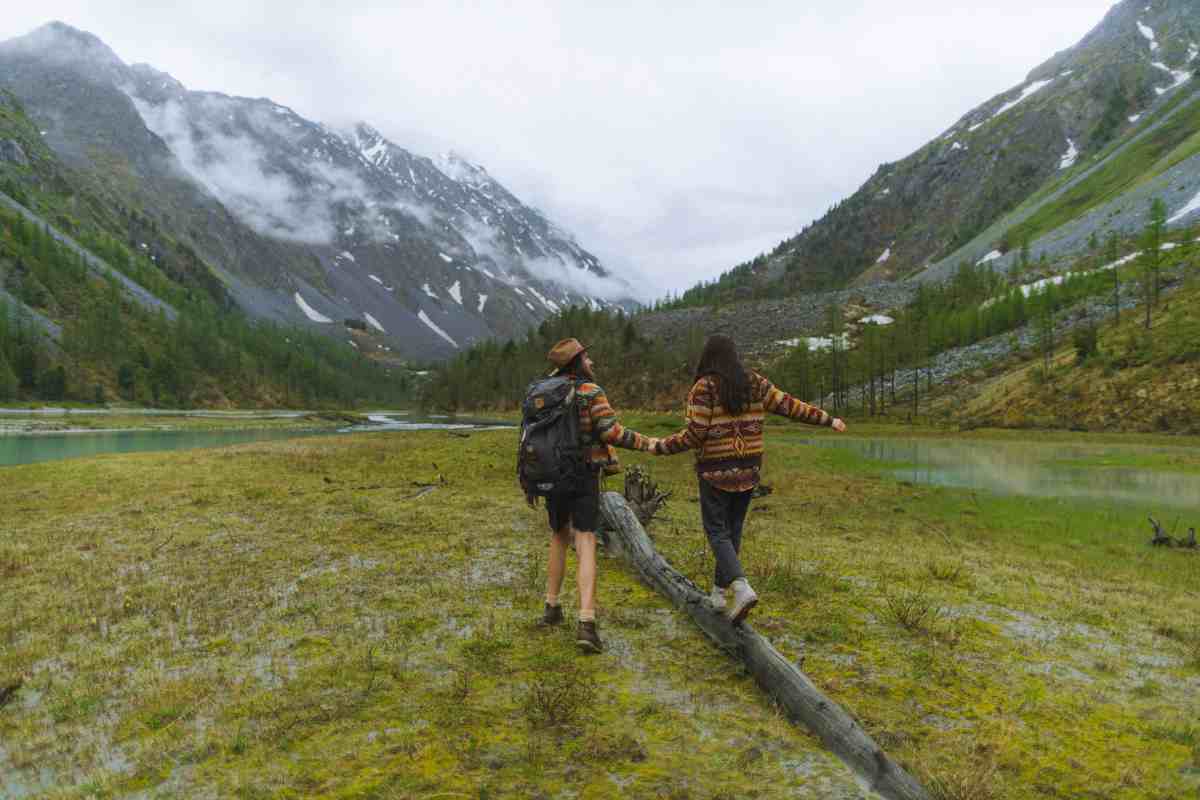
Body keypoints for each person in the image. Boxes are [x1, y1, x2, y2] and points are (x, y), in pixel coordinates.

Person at [654, 334, 845, 624]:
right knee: (733, 529)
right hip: (749, 470)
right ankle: (718, 595)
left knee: (717, 531)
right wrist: (827, 419)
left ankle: (740, 587)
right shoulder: (755, 382)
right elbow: (789, 405)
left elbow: (694, 435)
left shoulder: (704, 388)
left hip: (715, 471)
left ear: (707, 357)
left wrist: (660, 446)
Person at [534, 338, 660, 653]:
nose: (593, 364)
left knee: (559, 535)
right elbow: (611, 432)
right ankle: (586, 624)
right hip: (583, 474)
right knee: (586, 539)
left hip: (551, 476)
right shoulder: (591, 391)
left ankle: (551, 608)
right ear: (577, 361)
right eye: (588, 358)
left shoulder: (543, 392)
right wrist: (650, 443)